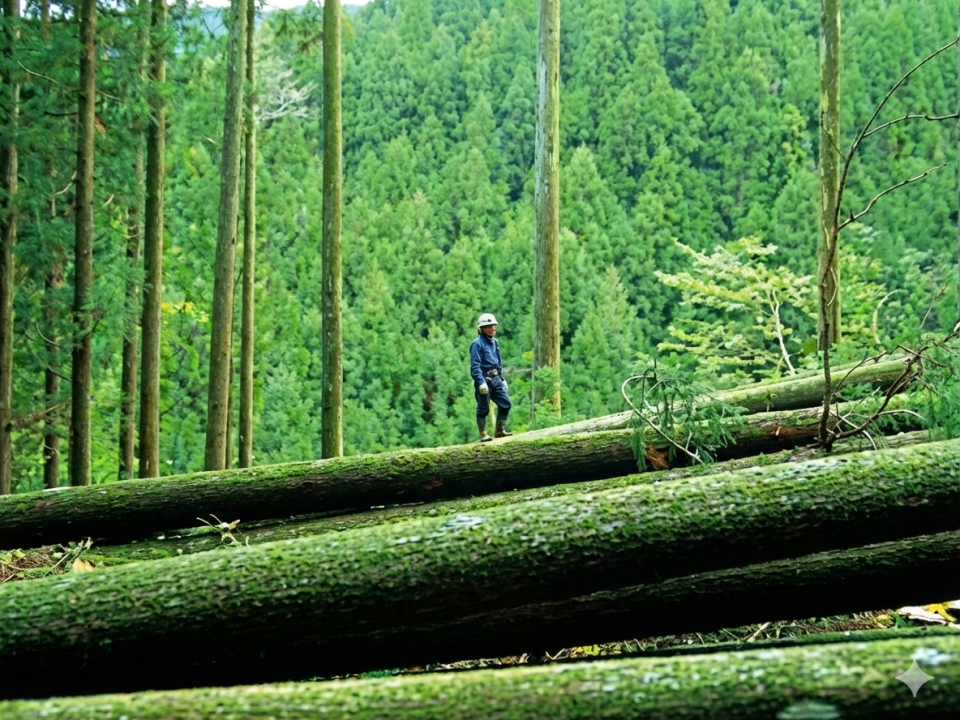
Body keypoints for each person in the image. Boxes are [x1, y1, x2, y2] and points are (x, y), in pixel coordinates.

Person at [470, 312, 512, 442]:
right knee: (483, 409)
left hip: (495, 379)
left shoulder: (495, 342)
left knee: (505, 404)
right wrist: (480, 382)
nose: (492, 328)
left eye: (493, 326)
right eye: (489, 326)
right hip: (484, 379)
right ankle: (483, 434)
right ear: (482, 329)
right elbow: (475, 366)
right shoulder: (477, 344)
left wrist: (502, 379)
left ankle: (500, 431)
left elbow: (498, 363)